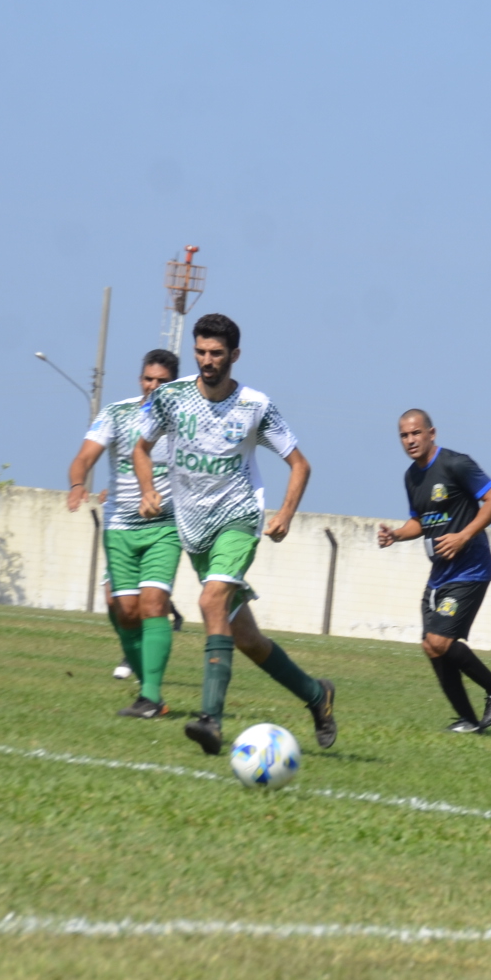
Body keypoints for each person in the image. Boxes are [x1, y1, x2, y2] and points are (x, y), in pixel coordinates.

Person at [133, 313, 336, 757]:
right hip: (193, 529)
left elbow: (299, 464)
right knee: (245, 638)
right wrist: (148, 489)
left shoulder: (255, 406)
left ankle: (211, 721)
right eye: (201, 352)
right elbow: (140, 449)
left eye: (217, 353)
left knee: (209, 603)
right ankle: (318, 696)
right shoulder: (170, 398)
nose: (207, 360)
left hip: (238, 520)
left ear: (235, 356)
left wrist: (283, 513)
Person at [377, 408, 491, 733]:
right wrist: (396, 535)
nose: (410, 440)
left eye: (415, 433)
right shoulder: (412, 477)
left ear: (431, 433)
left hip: (471, 570)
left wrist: (464, 535)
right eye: (404, 435)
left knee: (439, 640)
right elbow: (421, 522)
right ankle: (468, 719)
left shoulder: (456, 463)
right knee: (431, 645)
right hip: (439, 575)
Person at [67, 349, 182, 716]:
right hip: (120, 526)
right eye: (148, 379)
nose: (153, 386)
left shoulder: (188, 419)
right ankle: (142, 677)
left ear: (174, 383)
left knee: (153, 606)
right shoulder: (117, 413)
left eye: (162, 381)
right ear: (140, 379)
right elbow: (85, 456)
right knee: (123, 610)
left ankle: (151, 697)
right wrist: (77, 483)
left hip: (165, 525)